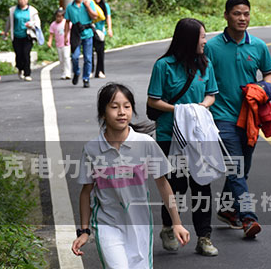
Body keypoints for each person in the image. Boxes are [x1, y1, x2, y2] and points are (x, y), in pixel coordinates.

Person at [72, 83, 190, 268]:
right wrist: (84, 231)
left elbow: (163, 184)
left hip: (140, 224)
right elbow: (86, 191)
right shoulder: (92, 149)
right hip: (107, 224)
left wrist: (177, 223)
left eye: (126, 106)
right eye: (114, 107)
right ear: (103, 113)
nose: (122, 112)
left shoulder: (145, 143)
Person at [147, 18, 220, 256]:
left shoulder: (205, 64)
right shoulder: (163, 66)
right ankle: (169, 227)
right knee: (175, 185)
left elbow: (211, 94)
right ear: (189, 39)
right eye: (202, 37)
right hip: (170, 135)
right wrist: (180, 110)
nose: (205, 41)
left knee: (202, 184)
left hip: (197, 136)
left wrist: (201, 106)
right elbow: (153, 100)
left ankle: (204, 237)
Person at [204, 0, 271, 239]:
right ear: (226, 15)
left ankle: (227, 209)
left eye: (246, 13)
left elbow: (268, 73)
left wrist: (264, 89)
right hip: (221, 117)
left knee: (242, 168)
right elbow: (202, 78)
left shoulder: (258, 46)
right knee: (236, 167)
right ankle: (248, 217)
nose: (242, 18)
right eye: (236, 13)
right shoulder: (212, 47)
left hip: (250, 118)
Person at [65, 0, 98, 88]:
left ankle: (86, 78)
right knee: (74, 57)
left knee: (88, 58)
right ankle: (76, 72)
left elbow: (95, 16)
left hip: (87, 32)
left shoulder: (89, 3)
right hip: (75, 33)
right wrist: (66, 36)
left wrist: (87, 7)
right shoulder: (70, 7)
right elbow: (67, 22)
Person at [5, 0, 41, 82]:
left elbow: (37, 22)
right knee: (19, 54)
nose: (22, 1)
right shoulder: (13, 10)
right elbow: (9, 23)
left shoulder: (32, 10)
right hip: (16, 36)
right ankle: (20, 68)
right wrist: (6, 32)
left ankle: (27, 73)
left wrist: (31, 25)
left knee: (26, 53)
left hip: (28, 35)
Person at [91, 0, 113, 79]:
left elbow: (108, 17)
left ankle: (100, 71)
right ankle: (90, 70)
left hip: (100, 31)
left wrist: (109, 28)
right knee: (89, 52)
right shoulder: (90, 5)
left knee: (100, 52)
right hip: (91, 30)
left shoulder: (105, 5)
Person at [47, 8, 72, 80]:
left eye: (60, 16)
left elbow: (72, 29)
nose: (58, 18)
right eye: (57, 16)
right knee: (61, 60)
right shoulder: (53, 24)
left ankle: (68, 73)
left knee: (66, 57)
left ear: (63, 16)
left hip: (66, 44)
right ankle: (63, 72)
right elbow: (51, 34)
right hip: (59, 44)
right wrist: (49, 41)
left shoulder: (66, 23)